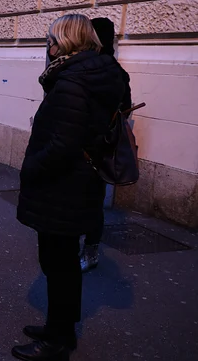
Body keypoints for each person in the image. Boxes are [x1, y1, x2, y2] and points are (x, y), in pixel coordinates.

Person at [13, 14, 128, 361]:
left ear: (64, 42)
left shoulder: (71, 80)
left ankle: (58, 340)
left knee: (57, 264)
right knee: (61, 263)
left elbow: (62, 143)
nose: (46, 46)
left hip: (62, 185)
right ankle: (57, 328)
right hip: (80, 182)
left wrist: (29, 168)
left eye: (50, 39)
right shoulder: (104, 71)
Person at [79, 17, 133, 273]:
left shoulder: (96, 68)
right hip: (99, 147)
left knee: (86, 201)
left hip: (88, 146)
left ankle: (88, 248)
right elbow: (126, 109)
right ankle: (89, 248)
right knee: (92, 200)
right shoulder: (117, 71)